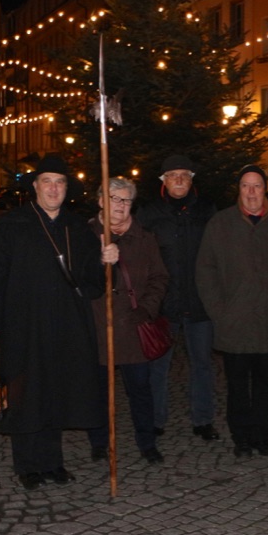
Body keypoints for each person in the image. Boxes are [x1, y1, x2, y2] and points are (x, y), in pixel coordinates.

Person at [0, 156, 111, 490]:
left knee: (56, 391)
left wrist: (105, 260)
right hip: (23, 322)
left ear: (66, 189)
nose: (54, 188)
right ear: (35, 186)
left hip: (67, 323)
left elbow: (92, 283)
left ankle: (53, 462)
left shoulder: (78, 228)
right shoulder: (10, 225)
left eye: (60, 182)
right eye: (47, 181)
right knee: (25, 392)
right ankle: (28, 465)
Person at [197, 164, 268, 457]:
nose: (252, 192)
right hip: (235, 323)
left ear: (265, 189)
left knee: (265, 385)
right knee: (237, 386)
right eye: (246, 186)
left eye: (257, 185)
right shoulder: (221, 224)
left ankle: (262, 436)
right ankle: (241, 439)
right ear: (239, 190)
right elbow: (205, 270)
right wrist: (219, 310)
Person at [87, 177, 169, 463]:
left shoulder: (144, 238)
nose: (120, 205)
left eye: (126, 200)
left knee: (140, 390)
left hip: (133, 326)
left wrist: (146, 309)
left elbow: (159, 277)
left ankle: (146, 442)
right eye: (114, 199)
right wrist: (99, 260)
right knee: (97, 389)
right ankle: (98, 441)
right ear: (101, 201)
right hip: (97, 325)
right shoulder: (85, 234)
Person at [137, 154, 218, 441]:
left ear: (192, 179)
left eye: (185, 174)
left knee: (202, 364)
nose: (179, 180)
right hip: (163, 303)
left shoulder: (207, 210)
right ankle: (156, 419)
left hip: (200, 302)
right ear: (164, 181)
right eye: (173, 175)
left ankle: (203, 419)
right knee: (158, 366)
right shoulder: (150, 213)